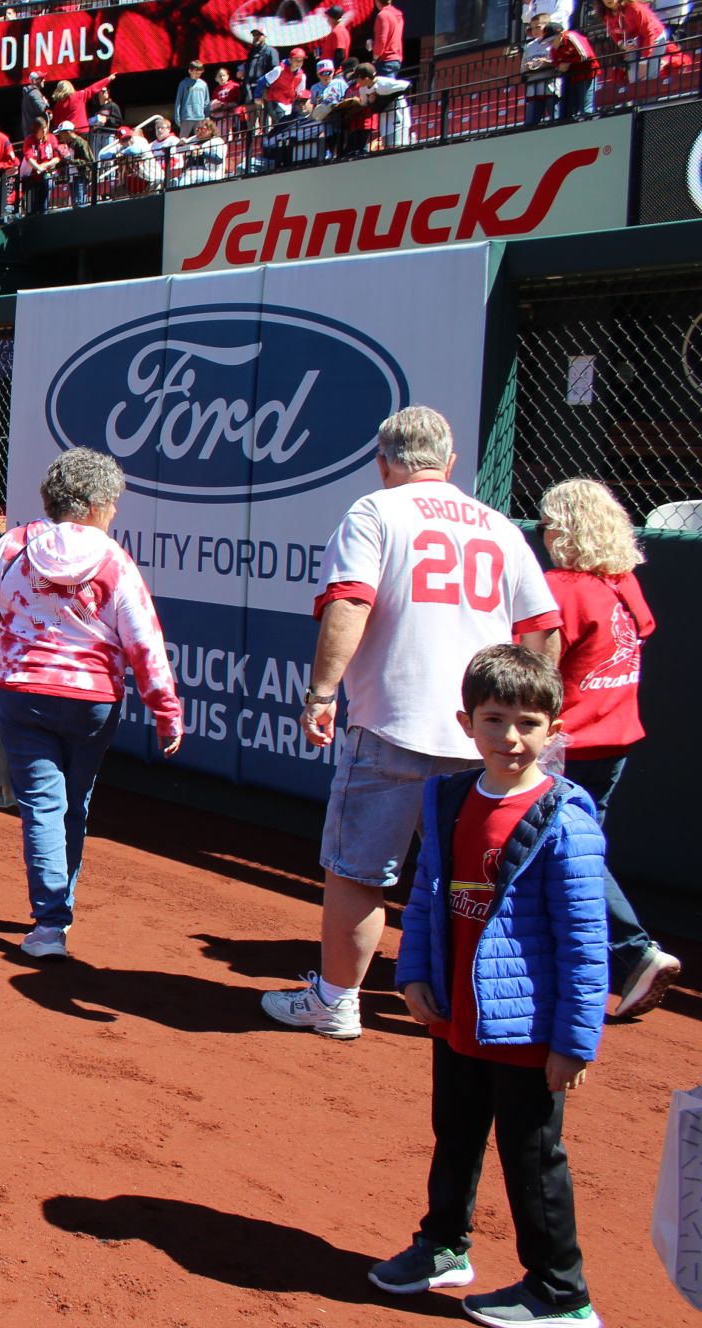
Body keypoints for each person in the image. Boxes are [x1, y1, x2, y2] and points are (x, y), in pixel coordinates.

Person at [262, 407, 559, 1040]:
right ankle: (476, 1006)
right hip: (479, 736)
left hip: (391, 725)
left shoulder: (376, 511)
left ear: (383, 462)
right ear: (450, 463)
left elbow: (350, 601)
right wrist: (533, 723)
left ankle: (336, 1002)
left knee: (357, 873)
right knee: (476, 878)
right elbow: (542, 631)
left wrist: (321, 693)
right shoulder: (499, 526)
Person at [371, 645, 605, 1328]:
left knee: (532, 1158)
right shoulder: (447, 797)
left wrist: (574, 1041)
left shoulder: (565, 818)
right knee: (455, 1134)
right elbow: (426, 895)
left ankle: (561, 1294)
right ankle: (443, 1246)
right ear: (465, 723)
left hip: (527, 1029)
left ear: (554, 730)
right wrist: (414, 972)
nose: (511, 737)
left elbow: (585, 942)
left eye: (529, 723)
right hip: (457, 1016)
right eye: (494, 719)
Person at [0, 449, 183, 959]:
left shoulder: (14, 544)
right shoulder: (115, 559)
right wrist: (166, 711)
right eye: (113, 502)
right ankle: (57, 913)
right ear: (94, 504)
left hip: (22, 692)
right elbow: (144, 643)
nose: (115, 511)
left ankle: (49, 925)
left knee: (42, 805)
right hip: (92, 701)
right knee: (73, 802)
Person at [537, 478, 681, 1015]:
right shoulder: (622, 582)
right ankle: (570, 963)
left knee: (565, 853)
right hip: (613, 742)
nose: (544, 534)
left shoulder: (561, 587)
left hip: (567, 746)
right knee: (573, 851)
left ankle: (634, 952)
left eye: (548, 524)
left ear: (564, 530)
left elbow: (539, 671)